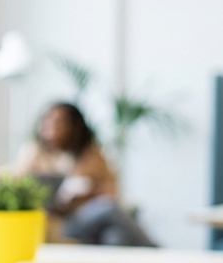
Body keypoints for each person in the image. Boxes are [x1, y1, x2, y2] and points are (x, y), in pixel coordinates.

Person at [13, 102, 154, 246]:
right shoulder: (33, 154)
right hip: (57, 224)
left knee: (115, 237)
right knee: (110, 210)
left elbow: (111, 192)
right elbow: (18, 189)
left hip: (87, 218)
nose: (52, 126)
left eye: (60, 122)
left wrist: (88, 194)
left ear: (74, 126)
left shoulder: (91, 154)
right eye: (48, 120)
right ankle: (157, 252)